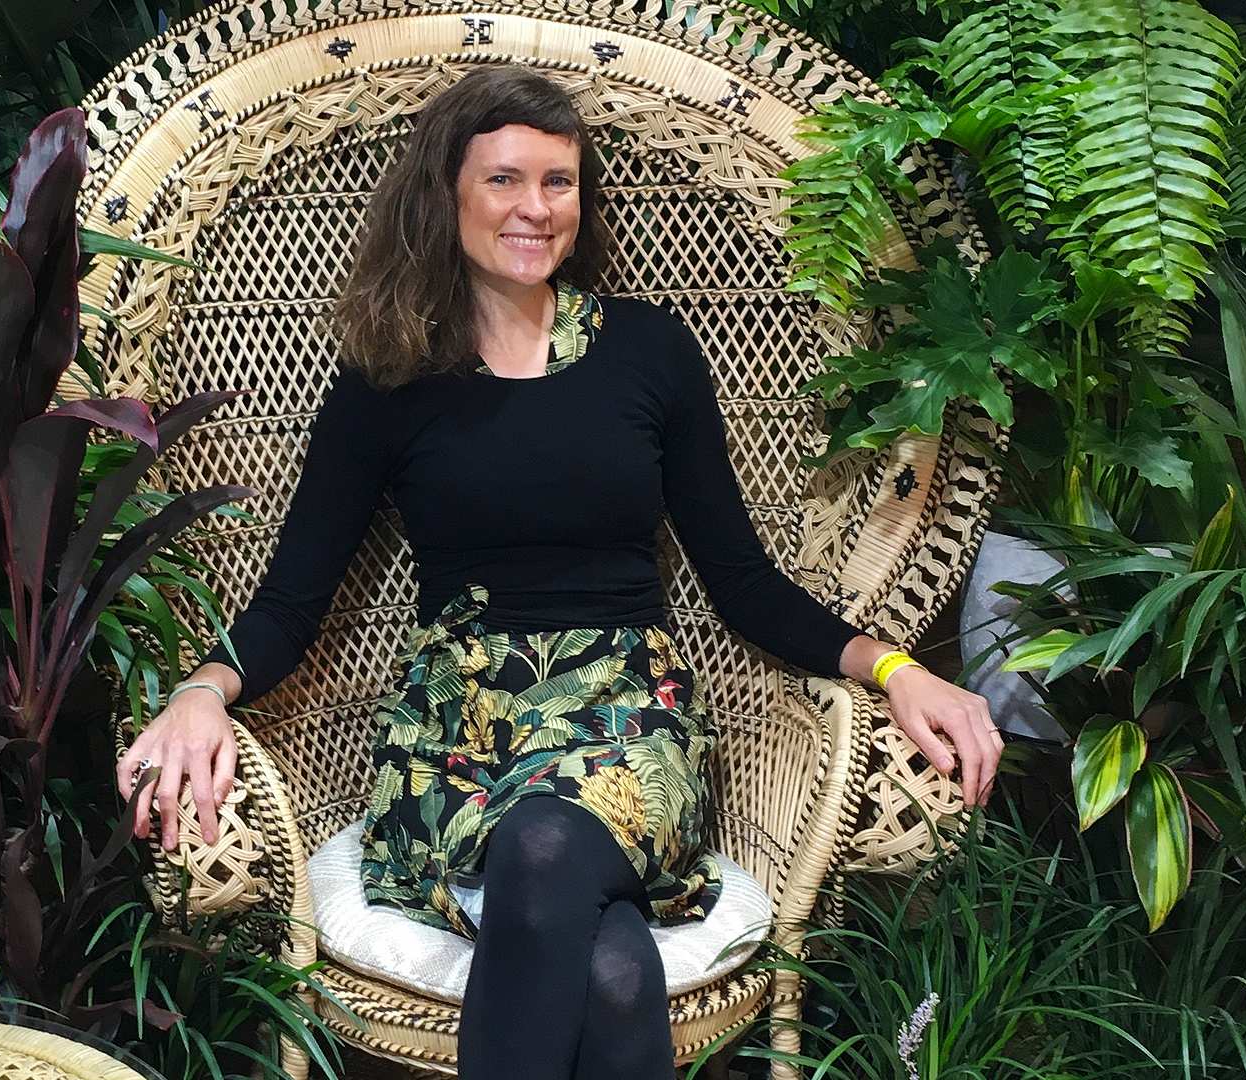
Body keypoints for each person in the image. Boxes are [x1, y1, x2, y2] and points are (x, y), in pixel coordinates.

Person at [114, 65, 1001, 1080]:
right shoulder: (387, 382)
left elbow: (744, 583)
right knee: (617, 974)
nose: (536, 208)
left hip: (629, 719)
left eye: (560, 182)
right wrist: (199, 691)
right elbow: (290, 603)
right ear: (444, 193)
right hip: (459, 734)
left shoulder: (651, 355)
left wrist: (898, 668)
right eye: (505, 180)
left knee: (546, 848)